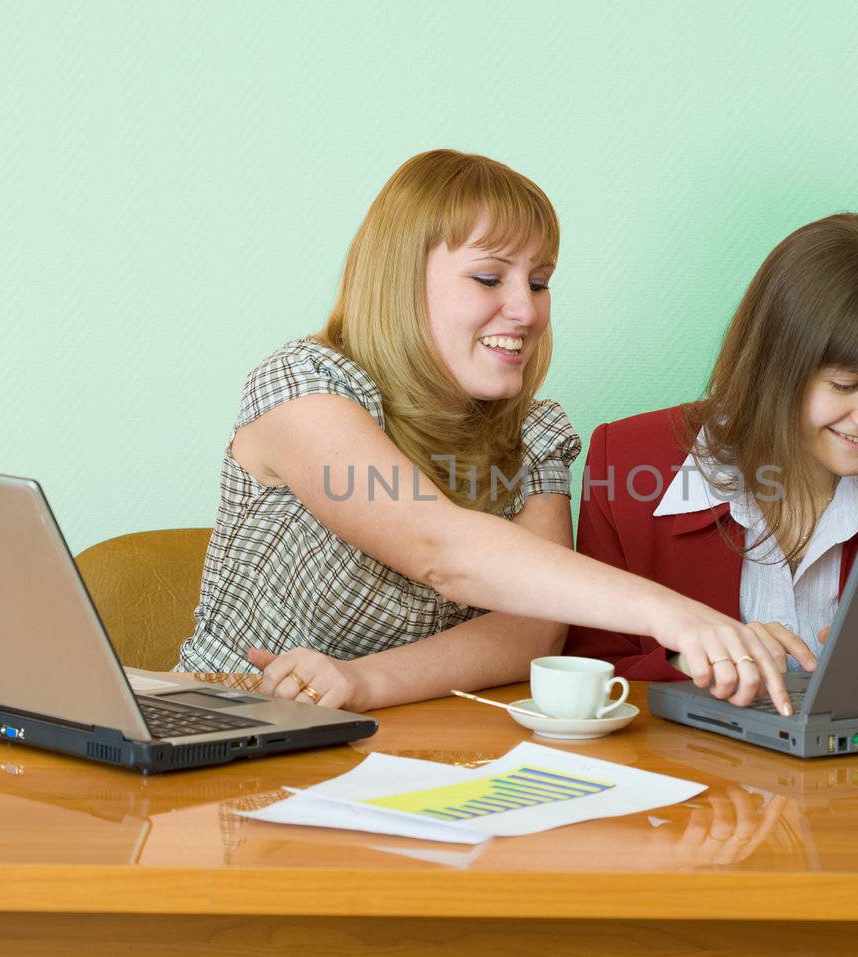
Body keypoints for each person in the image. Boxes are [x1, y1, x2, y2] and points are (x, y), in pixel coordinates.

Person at [178, 150, 816, 715]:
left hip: (398, 744)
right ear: (400, 283)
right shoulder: (303, 385)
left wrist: (359, 682)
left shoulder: (535, 433)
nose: (527, 308)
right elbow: (441, 549)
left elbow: (532, 633)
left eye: (539, 282)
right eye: (491, 278)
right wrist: (677, 615)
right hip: (230, 721)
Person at [564, 213, 858, 679]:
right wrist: (693, 657)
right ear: (774, 368)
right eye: (845, 385)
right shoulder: (628, 459)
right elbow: (586, 672)